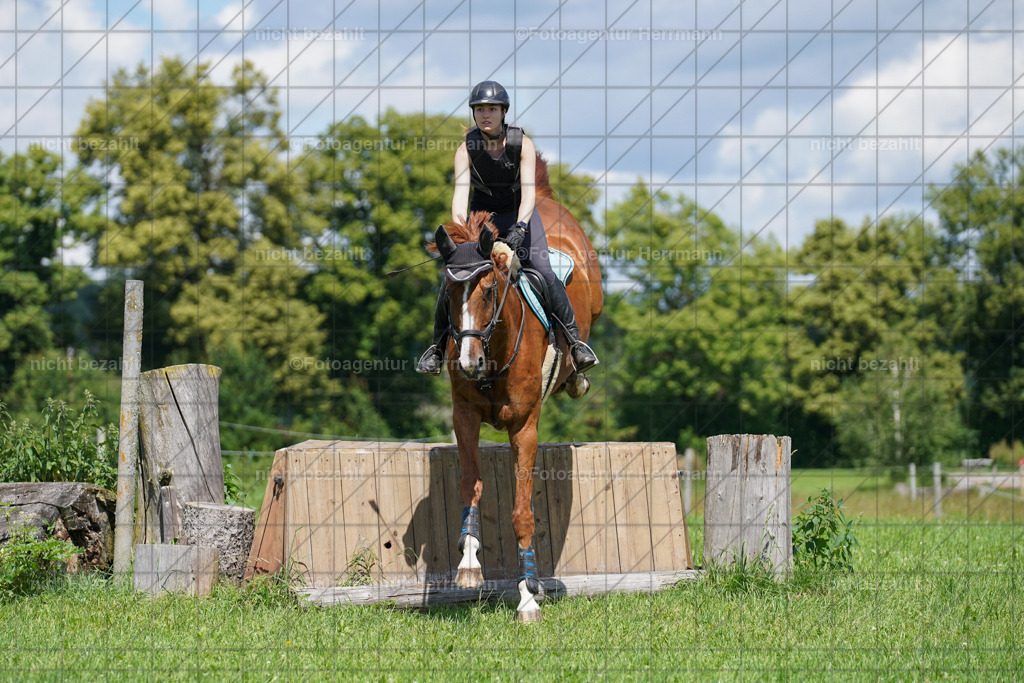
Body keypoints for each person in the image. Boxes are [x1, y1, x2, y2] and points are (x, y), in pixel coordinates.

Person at [416, 80, 599, 376]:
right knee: (455, 277)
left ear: (503, 112)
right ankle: (436, 349)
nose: (485, 115)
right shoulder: (466, 150)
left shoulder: (521, 144)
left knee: (543, 269)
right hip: (482, 218)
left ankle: (576, 343)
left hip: (519, 213)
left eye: (491, 109)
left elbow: (529, 193)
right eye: (479, 110)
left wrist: (521, 227)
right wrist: (462, 235)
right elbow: (460, 197)